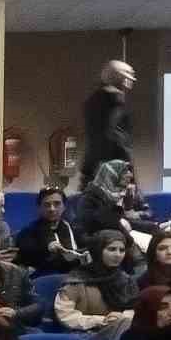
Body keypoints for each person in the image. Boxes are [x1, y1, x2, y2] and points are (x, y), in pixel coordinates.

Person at [54, 229, 137, 340]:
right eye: (111, 249)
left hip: (120, 331)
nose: (118, 255)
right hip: (83, 335)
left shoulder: (126, 280)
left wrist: (122, 317)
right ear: (98, 251)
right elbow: (65, 315)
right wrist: (101, 321)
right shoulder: (77, 280)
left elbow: (135, 308)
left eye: (122, 250)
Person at [81, 59, 137, 190]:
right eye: (127, 77)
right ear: (119, 77)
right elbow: (116, 138)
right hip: (111, 172)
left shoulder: (93, 100)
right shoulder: (113, 101)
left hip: (92, 168)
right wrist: (127, 170)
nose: (130, 81)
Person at [15, 186, 86, 275]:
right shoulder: (27, 232)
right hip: (44, 277)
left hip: (75, 275)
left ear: (64, 207)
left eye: (57, 204)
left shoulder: (73, 229)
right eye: (47, 205)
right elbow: (30, 258)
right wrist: (48, 249)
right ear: (39, 208)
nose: (52, 209)